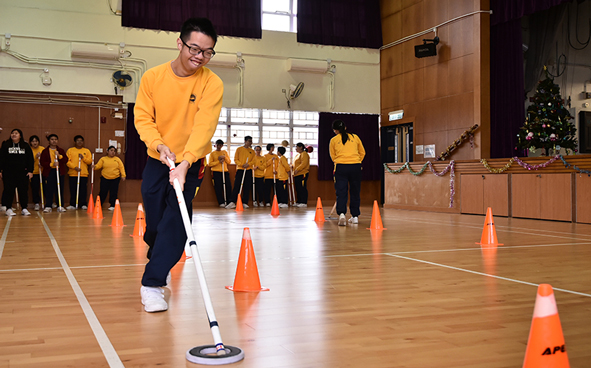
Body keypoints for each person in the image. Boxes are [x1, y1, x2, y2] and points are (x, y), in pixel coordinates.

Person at [134, 17, 223, 313]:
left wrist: (186, 163)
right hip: (158, 157)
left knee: (177, 221)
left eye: (207, 52)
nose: (199, 57)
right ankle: (159, 256)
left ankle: (152, 283)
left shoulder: (212, 82)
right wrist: (158, 145)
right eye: (194, 48)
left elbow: (204, 125)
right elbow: (143, 118)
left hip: (190, 162)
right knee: (155, 221)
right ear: (180, 43)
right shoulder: (153, 77)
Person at [329, 119, 366, 226]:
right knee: (355, 191)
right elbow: (362, 152)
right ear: (345, 128)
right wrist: (357, 161)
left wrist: (341, 161)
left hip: (341, 167)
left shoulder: (334, 140)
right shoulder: (355, 137)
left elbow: (333, 156)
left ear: (335, 130)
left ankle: (342, 214)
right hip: (355, 166)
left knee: (341, 192)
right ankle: (355, 217)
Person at [0, 129, 34, 216]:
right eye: (12, 133)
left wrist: (30, 171)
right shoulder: (6, 145)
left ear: (20, 135)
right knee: (9, 190)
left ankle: (24, 208)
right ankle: (8, 208)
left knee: (23, 190)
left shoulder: (25, 146)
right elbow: (1, 158)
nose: (13, 135)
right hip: (8, 172)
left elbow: (30, 159)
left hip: (22, 173)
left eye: (16, 133)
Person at [40, 134, 68, 213]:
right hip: (49, 172)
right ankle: (48, 205)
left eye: (55, 139)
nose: (54, 141)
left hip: (59, 171)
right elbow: (42, 162)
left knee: (59, 188)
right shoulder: (45, 151)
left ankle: (60, 205)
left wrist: (59, 156)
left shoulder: (60, 150)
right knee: (49, 189)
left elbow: (65, 160)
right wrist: (52, 164)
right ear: (49, 141)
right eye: (52, 139)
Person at [226, 136, 255, 209]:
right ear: (245, 141)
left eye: (251, 141)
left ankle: (245, 202)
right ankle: (232, 202)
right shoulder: (239, 149)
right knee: (237, 185)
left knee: (247, 186)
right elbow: (236, 159)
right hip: (240, 169)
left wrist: (248, 164)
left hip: (248, 170)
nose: (250, 142)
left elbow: (254, 160)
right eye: (249, 141)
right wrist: (242, 165)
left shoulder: (252, 151)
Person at [93, 146, 126, 210]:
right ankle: (99, 205)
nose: (113, 152)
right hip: (105, 178)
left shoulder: (117, 159)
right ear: (107, 151)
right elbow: (98, 166)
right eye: (111, 150)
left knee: (114, 192)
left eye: (114, 151)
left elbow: (121, 167)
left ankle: (113, 205)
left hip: (115, 178)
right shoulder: (103, 159)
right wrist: (94, 166)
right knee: (103, 192)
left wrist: (123, 175)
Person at [66, 135, 92, 210]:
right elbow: (67, 162)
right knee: (73, 189)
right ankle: (73, 204)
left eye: (81, 141)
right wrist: (75, 167)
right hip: (73, 173)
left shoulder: (86, 151)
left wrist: (83, 158)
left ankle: (83, 204)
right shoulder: (70, 150)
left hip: (83, 174)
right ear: (75, 142)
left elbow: (90, 161)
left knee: (83, 190)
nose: (79, 142)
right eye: (78, 141)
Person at [208, 139, 231, 207]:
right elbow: (210, 164)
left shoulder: (224, 152)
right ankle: (221, 202)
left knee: (228, 186)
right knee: (218, 187)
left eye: (220, 145)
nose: (219, 146)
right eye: (218, 145)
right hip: (216, 172)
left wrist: (224, 158)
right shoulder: (213, 153)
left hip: (225, 171)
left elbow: (229, 162)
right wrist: (218, 161)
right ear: (215, 145)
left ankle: (229, 201)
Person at [29, 135, 45, 211]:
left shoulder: (42, 149)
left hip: (42, 172)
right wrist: (36, 157)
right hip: (34, 172)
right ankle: (36, 203)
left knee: (45, 187)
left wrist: (42, 163)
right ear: (30, 143)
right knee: (35, 188)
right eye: (33, 141)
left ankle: (46, 202)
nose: (34, 143)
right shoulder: (29, 150)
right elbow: (28, 161)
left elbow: (46, 159)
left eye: (36, 141)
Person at [293, 142, 310, 207]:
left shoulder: (304, 154)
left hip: (302, 173)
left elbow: (304, 163)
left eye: (297, 147)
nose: (296, 149)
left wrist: (297, 169)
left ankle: (304, 202)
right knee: (298, 188)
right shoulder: (297, 155)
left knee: (302, 187)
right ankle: (299, 201)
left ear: (301, 147)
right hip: (297, 174)